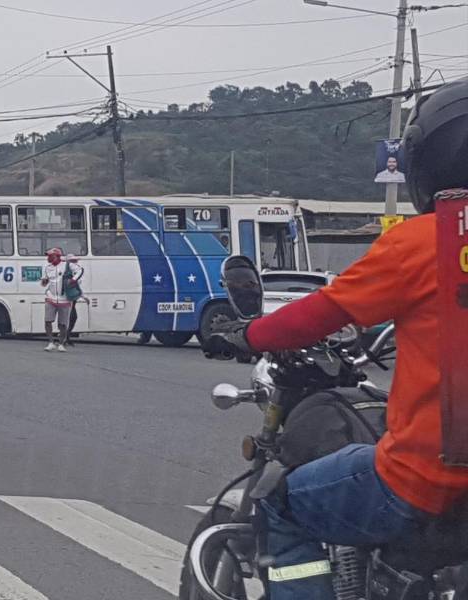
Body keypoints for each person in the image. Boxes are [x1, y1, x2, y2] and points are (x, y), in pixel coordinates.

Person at [204, 77, 468, 600]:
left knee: (280, 505)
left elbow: (317, 316)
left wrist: (250, 332)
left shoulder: (424, 242)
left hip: (430, 478)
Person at [40, 248, 83, 351]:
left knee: (62, 323)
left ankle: (61, 344)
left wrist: (73, 280)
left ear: (57, 256)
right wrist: (44, 282)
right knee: (48, 321)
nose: (48, 258)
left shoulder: (67, 265)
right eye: (48, 256)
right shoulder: (47, 268)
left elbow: (80, 270)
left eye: (51, 256)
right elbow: (43, 282)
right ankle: (50, 342)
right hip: (51, 297)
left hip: (64, 299)